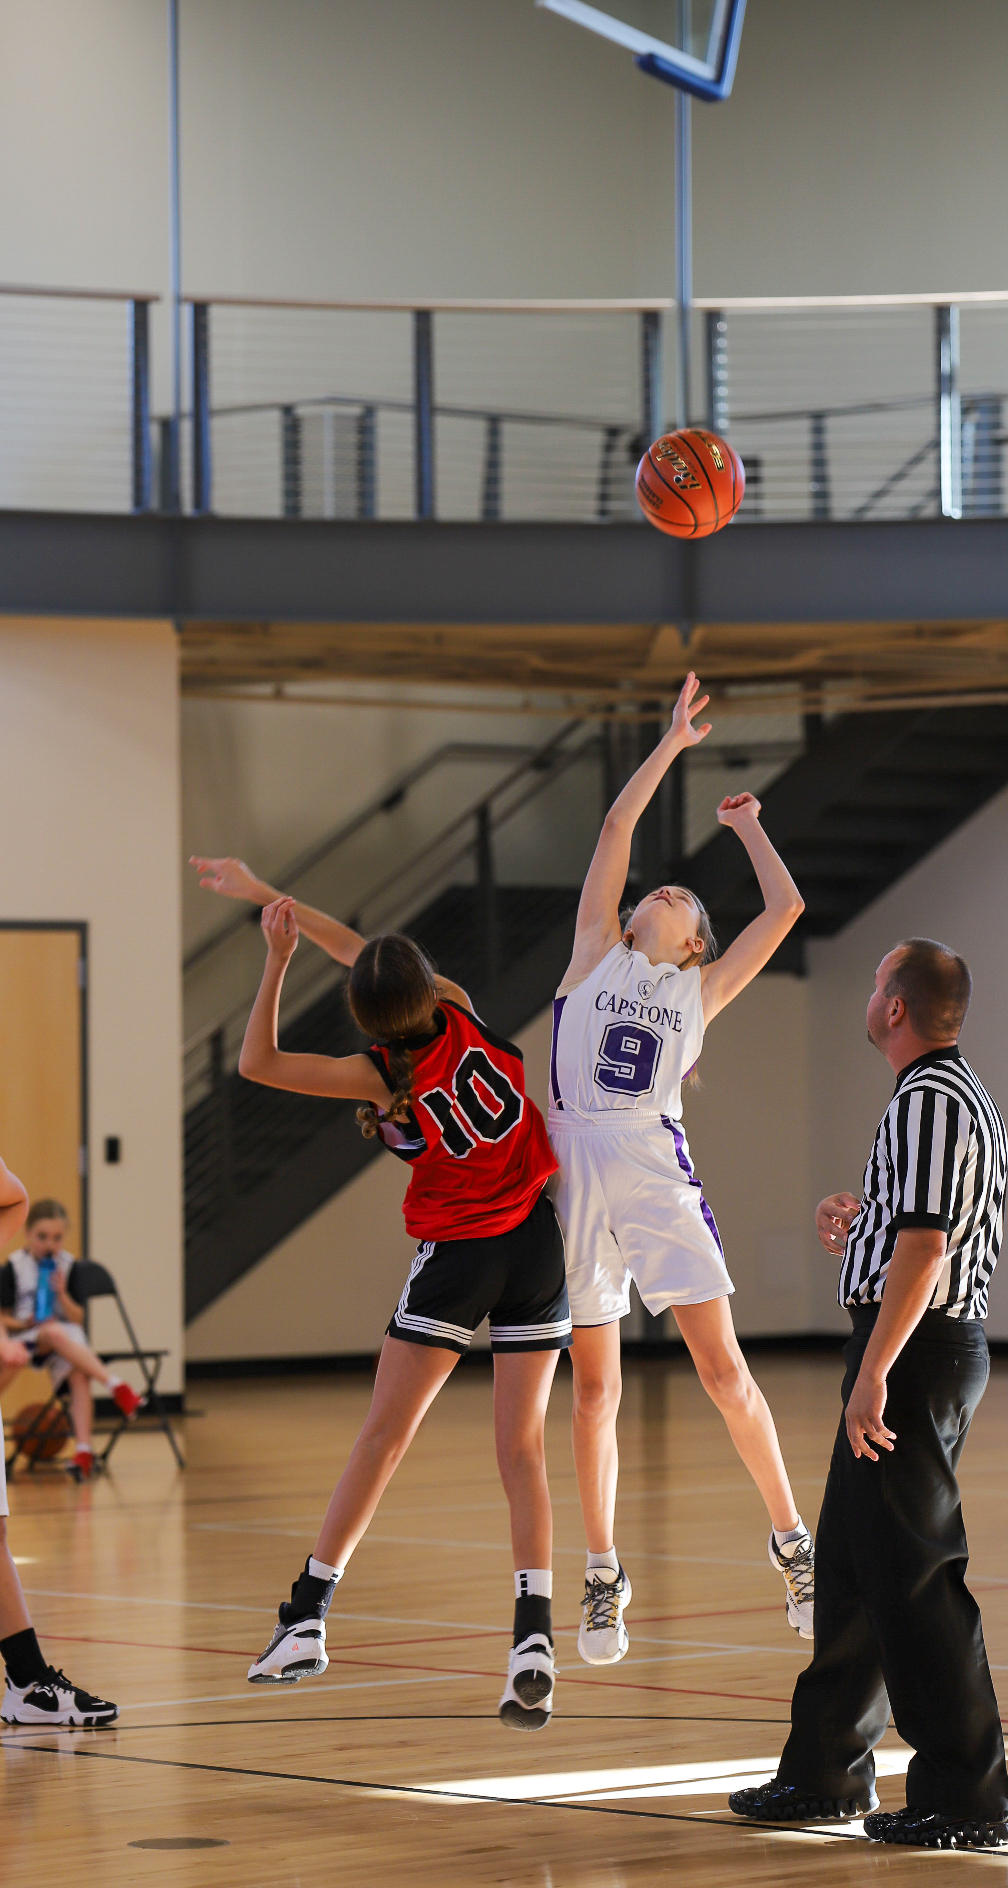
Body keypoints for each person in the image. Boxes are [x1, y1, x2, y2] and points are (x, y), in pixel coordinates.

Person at [227, 895, 569, 1731]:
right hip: (536, 1245)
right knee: (522, 1450)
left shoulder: (379, 1073)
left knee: (383, 1438)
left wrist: (275, 955)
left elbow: (258, 1063)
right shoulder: (455, 1003)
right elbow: (364, 952)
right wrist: (278, 903)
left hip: (460, 1258)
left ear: (366, 1018)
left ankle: (305, 1616)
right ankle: (533, 1637)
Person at [546, 671, 813, 1663]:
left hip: (654, 1171)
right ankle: (603, 1573)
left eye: (682, 899)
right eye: (652, 892)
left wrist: (746, 828)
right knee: (594, 1394)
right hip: (573, 1170)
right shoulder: (591, 956)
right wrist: (669, 745)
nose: (660, 889)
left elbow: (783, 909)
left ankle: (794, 1545)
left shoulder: (698, 991)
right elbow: (617, 829)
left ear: (694, 940)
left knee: (724, 1371)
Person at [730, 939, 1008, 1851]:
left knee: (918, 1580)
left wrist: (877, 1373)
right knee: (854, 1571)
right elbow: (914, 1229)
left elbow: (929, 1252)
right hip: (911, 1345)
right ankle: (824, 1775)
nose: (868, 996)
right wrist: (856, 1224)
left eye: (874, 983)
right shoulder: (945, 1096)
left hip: (915, 1356)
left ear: (895, 1007)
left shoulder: (929, 1098)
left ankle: (966, 1798)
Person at [0, 1156, 117, 1725]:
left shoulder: (60, 1266)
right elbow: (14, 1195)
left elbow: (14, 1195)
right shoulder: (12, 1265)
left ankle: (26, 1679)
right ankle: (26, 1681)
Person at [0, 1198, 143, 1481]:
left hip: (63, 1339)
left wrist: (62, 1293)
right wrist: (23, 1322)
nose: (49, 1245)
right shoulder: (13, 1267)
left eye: (57, 1238)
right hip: (24, 1337)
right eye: (42, 1237)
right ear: (27, 1233)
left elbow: (77, 1318)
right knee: (54, 1333)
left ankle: (83, 1451)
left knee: (78, 1372)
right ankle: (116, 1385)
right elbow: (2, 1317)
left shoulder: (69, 1266)